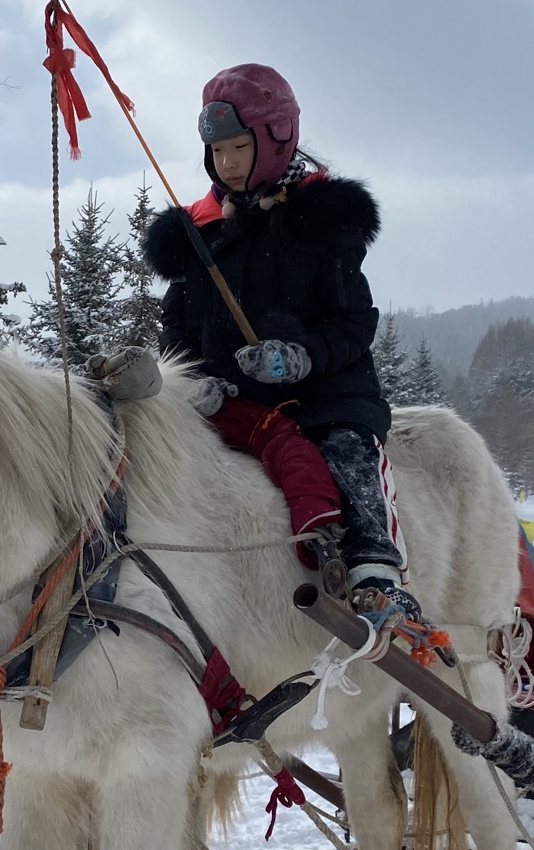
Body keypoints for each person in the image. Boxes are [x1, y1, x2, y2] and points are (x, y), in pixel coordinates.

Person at [143, 62, 427, 626]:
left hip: (322, 395)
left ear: (274, 139)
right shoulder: (200, 236)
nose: (225, 163)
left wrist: (302, 359)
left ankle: (375, 570)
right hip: (230, 401)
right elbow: (175, 326)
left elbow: (353, 325)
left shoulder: (319, 224)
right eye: (216, 151)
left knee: (345, 448)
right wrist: (193, 375)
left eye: (238, 148)